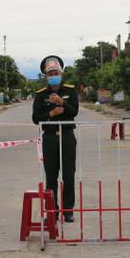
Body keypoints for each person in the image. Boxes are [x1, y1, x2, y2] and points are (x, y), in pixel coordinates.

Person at [32, 56, 79, 223]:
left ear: (61, 73)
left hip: (67, 136)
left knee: (68, 175)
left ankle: (68, 211)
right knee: (51, 176)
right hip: (50, 138)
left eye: (56, 72)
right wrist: (51, 114)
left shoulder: (70, 90)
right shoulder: (40, 95)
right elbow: (36, 118)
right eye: (50, 73)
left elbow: (74, 112)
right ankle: (52, 211)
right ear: (46, 76)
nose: (53, 75)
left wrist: (62, 103)